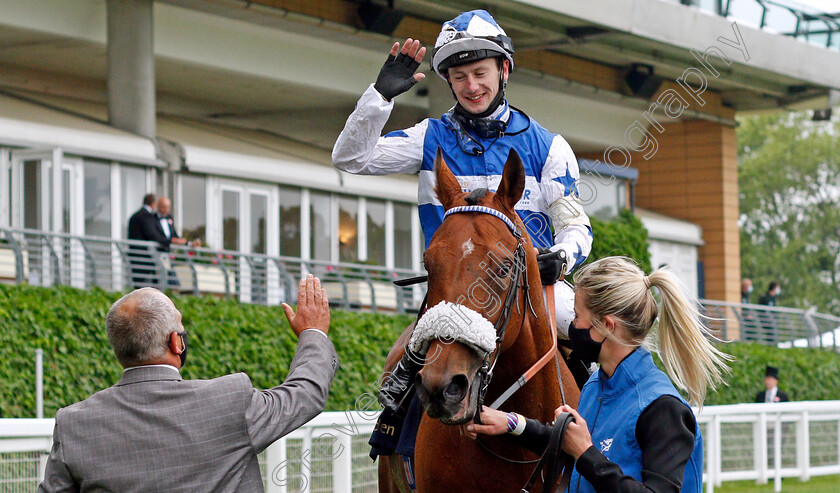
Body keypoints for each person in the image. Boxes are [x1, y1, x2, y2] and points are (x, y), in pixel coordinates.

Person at [332, 9, 592, 411]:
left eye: (480, 73)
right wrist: (378, 98)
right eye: (459, 77)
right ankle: (393, 442)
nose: (471, 86)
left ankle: (605, 424)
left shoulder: (549, 147)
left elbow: (576, 227)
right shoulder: (428, 137)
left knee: (593, 339)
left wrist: (561, 256)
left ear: (504, 69)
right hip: (453, 291)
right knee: (402, 379)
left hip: (532, 289)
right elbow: (351, 159)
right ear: (449, 82)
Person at [37, 275, 338, 492]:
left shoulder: (73, 424)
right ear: (176, 342)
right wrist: (313, 332)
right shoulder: (229, 401)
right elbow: (304, 394)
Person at [467, 257, 731, 493]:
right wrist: (513, 424)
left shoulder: (662, 407)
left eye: (578, 316)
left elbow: (588, 454)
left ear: (606, 326)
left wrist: (585, 453)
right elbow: (575, 447)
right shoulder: (596, 384)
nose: (572, 325)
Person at [127, 194, 167, 286]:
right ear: (153, 204)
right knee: (148, 286)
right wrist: (166, 242)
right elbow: (152, 234)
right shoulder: (147, 216)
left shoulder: (134, 216)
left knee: (137, 284)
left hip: (133, 254)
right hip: (144, 256)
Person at [155, 197, 188, 288]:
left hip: (167, 253)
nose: (165, 210)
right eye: (163, 207)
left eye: (167, 207)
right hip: (158, 253)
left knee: (172, 278)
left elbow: (174, 235)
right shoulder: (153, 218)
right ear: (158, 206)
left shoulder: (169, 218)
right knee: (164, 277)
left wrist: (184, 242)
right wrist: (171, 241)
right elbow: (156, 236)